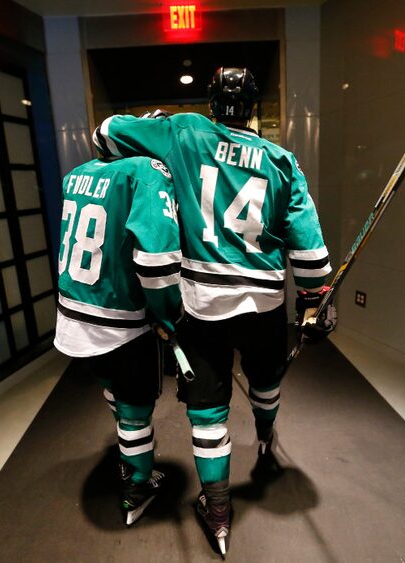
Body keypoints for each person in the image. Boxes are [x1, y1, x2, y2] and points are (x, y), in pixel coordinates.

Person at [93, 67, 336, 556]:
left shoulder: (184, 130)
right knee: (266, 379)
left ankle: (218, 507)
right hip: (267, 302)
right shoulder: (282, 159)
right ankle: (266, 438)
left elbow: (106, 134)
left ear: (211, 100)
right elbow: (310, 254)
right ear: (251, 106)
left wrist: (154, 123)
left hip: (201, 305)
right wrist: (315, 301)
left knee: (207, 410)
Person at [53, 154, 182, 527]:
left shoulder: (76, 173)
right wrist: (167, 312)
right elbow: (156, 260)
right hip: (120, 316)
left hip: (76, 308)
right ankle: (138, 484)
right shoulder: (146, 171)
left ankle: (130, 449)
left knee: (112, 387)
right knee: (136, 406)